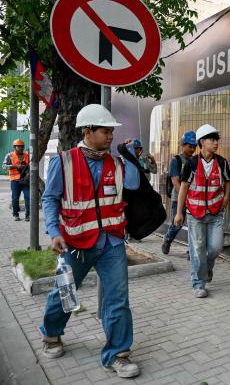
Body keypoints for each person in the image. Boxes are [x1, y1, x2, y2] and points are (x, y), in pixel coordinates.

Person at [38, 104, 141, 378]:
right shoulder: (64, 161)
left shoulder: (117, 163)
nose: (110, 136)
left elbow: (134, 184)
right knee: (64, 294)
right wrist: (53, 231)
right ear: (88, 131)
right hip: (75, 243)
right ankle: (51, 335)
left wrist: (130, 156)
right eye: (105, 131)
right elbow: (49, 198)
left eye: (111, 131)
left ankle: (118, 354)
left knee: (118, 300)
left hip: (112, 243)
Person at [174, 124, 230, 298]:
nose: (216, 143)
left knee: (215, 248)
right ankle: (199, 282)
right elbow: (184, 188)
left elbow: (228, 181)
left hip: (215, 214)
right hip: (195, 214)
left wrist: (226, 198)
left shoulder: (222, 162)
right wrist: (179, 213)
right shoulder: (191, 163)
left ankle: (205, 269)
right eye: (212, 140)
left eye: (216, 140)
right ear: (202, 142)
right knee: (197, 248)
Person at [162, 130, 197, 255]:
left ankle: (192, 250)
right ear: (183, 145)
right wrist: (184, 196)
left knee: (194, 226)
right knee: (178, 223)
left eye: (194, 147)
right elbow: (175, 181)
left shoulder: (195, 161)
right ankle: (167, 240)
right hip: (179, 199)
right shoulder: (176, 160)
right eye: (190, 146)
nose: (192, 149)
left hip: (194, 199)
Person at [3, 139, 30, 221]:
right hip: (15, 181)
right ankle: (16, 214)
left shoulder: (27, 155)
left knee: (28, 197)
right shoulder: (10, 155)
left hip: (26, 180)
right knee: (15, 198)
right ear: (15, 147)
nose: (21, 148)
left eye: (22, 146)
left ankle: (28, 215)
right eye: (19, 146)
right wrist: (15, 166)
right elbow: (4, 166)